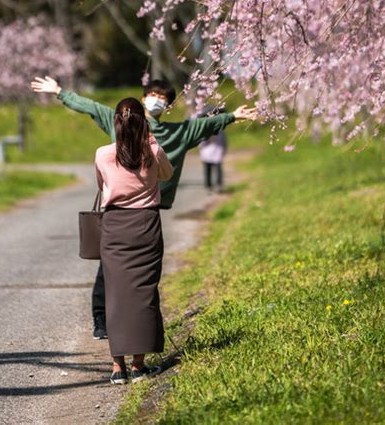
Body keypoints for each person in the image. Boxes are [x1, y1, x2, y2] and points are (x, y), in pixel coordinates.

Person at [30, 75, 259, 339]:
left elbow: (205, 125)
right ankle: (102, 319)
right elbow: (91, 107)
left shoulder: (178, 134)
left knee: (141, 271)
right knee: (109, 268)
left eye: (163, 98)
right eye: (154, 95)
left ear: (169, 106)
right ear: (143, 99)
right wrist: (60, 91)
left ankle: (133, 325)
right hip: (120, 211)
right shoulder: (122, 122)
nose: (157, 101)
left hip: (149, 212)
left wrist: (232, 116)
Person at [96, 97, 173, 384]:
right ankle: (139, 365)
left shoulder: (103, 154)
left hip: (115, 226)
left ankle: (118, 368)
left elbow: (102, 187)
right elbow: (167, 174)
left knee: (115, 295)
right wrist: (151, 142)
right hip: (146, 225)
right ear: (144, 122)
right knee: (144, 292)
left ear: (116, 122)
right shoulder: (152, 151)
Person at [199, 108, 227, 192]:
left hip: (217, 151)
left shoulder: (220, 129)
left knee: (218, 169)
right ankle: (208, 185)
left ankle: (219, 185)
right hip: (206, 152)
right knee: (207, 169)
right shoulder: (204, 129)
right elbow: (201, 142)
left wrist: (224, 148)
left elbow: (223, 140)